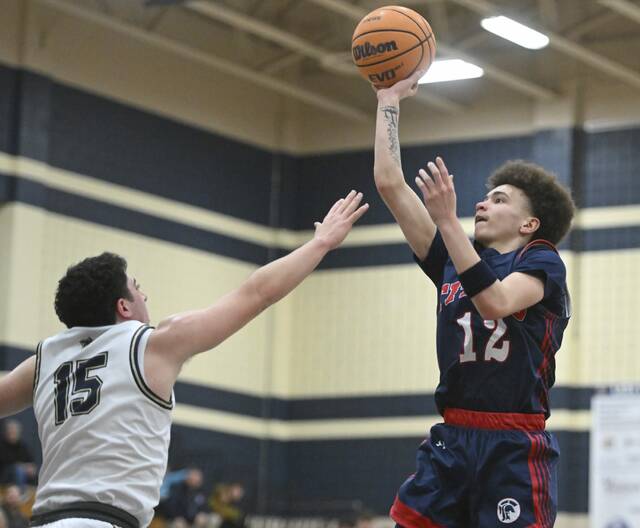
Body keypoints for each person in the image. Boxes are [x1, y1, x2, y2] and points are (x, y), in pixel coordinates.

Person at [0, 190, 368, 528]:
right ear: (124, 306)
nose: (144, 293)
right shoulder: (152, 344)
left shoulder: (44, 359)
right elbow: (257, 293)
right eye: (136, 286)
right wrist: (320, 244)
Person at [373, 70, 575, 527]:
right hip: (453, 435)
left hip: (513, 443)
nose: (482, 204)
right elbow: (389, 183)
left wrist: (446, 220)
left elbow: (496, 302)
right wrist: (388, 100)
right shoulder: (452, 259)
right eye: (483, 198)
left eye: (498, 200)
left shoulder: (543, 262)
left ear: (529, 224)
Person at [0, 421, 37, 489]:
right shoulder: (2, 446)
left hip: (23, 474)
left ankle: (34, 493)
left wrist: (31, 468)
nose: (12, 433)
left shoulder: (23, 446)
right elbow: (5, 463)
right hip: (4, 475)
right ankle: (19, 493)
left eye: (14, 431)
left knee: (33, 471)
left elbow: (30, 461)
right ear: (6, 432)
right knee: (18, 470)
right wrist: (22, 467)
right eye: (10, 430)